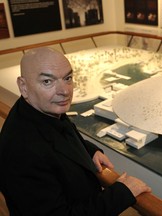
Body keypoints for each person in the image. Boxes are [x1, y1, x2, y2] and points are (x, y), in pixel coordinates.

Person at [0, 47, 151, 215]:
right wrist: (122, 192)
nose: (64, 91)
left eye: (68, 78)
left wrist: (89, 151)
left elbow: (63, 135)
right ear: (23, 86)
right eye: (47, 82)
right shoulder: (22, 152)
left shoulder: (39, 110)